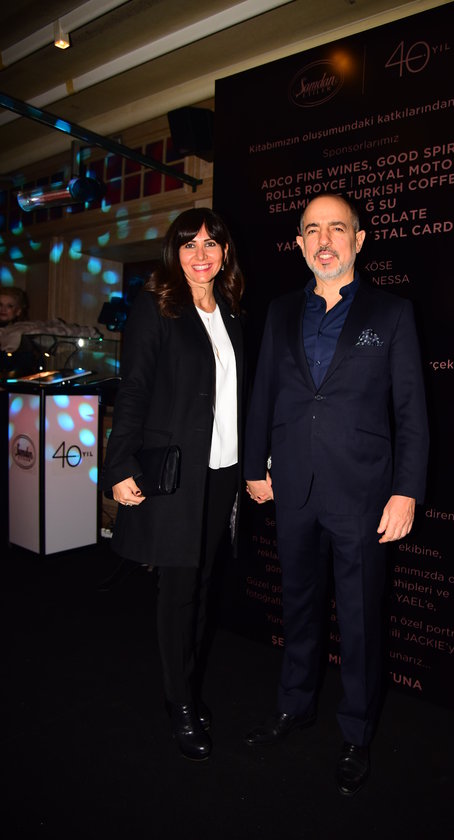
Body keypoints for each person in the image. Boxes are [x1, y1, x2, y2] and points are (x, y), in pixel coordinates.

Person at [244, 193, 429, 797]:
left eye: (336, 229)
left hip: (363, 496)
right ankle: (294, 706)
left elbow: (411, 412)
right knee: (297, 606)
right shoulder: (278, 312)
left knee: (359, 618)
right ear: (300, 242)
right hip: (293, 488)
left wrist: (405, 492)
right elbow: (263, 393)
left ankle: (356, 732)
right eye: (312, 230)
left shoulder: (391, 313)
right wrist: (253, 465)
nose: (324, 241)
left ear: (359, 239)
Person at [102, 208, 244, 761]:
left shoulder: (232, 311)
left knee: (204, 583)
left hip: (224, 470)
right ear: (174, 252)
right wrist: (118, 464)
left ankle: (187, 682)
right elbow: (134, 387)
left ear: (224, 252)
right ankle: (179, 700)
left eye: (210, 243)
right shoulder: (157, 304)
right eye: (189, 244)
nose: (200, 254)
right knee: (178, 588)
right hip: (178, 470)